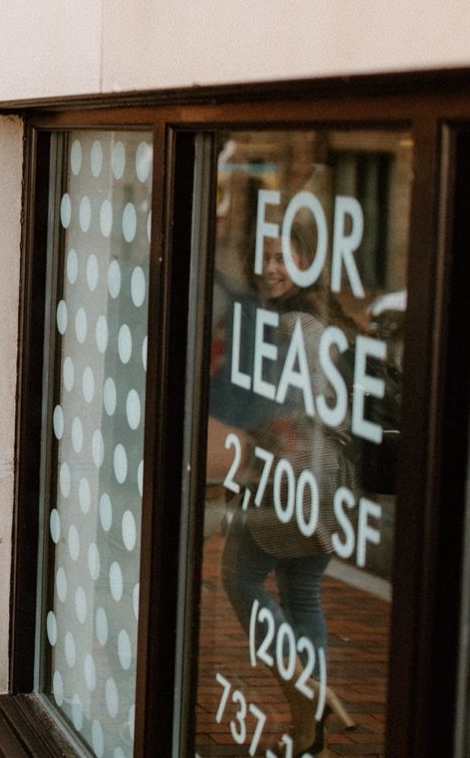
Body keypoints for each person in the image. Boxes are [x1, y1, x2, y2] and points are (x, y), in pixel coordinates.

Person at [215, 220, 356, 755]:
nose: (271, 268)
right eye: (266, 257)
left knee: (238, 577)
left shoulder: (296, 327)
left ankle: (306, 698)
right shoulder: (311, 318)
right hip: (320, 476)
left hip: (292, 479)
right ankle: (310, 727)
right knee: (301, 593)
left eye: (284, 257)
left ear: (308, 262)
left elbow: (280, 414)